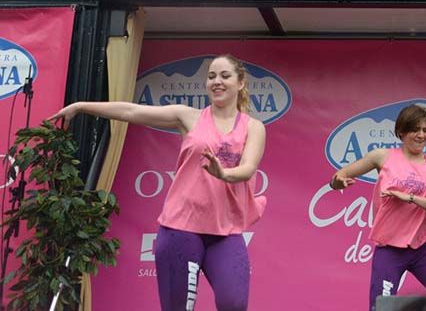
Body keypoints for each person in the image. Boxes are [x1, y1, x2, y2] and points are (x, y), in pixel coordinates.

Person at [53, 54, 266, 311]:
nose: (216, 82)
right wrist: (81, 106)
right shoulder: (188, 117)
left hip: (225, 231)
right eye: (211, 76)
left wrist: (223, 174)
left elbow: (248, 169)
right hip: (181, 228)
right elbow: (131, 111)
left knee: (234, 304)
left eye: (224, 76)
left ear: (240, 83)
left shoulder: (253, 127)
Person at [330, 104, 426, 311]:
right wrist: (338, 183)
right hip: (389, 248)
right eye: (414, 129)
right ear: (401, 132)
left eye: (425, 130)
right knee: (380, 307)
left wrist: (410, 197)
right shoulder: (382, 157)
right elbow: (339, 176)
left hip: (424, 247)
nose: (421, 135)